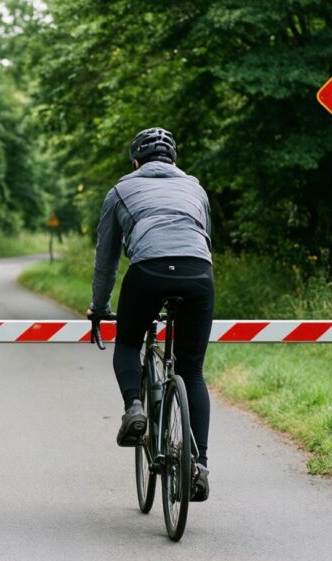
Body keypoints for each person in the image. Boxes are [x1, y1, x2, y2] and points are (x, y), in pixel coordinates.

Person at [86, 127, 214, 501]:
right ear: (174, 161)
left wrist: (100, 306)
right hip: (198, 274)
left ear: (135, 161)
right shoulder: (195, 187)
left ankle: (134, 408)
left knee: (127, 342)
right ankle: (199, 464)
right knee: (191, 370)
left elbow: (107, 258)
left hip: (148, 271)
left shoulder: (121, 189)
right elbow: (205, 240)